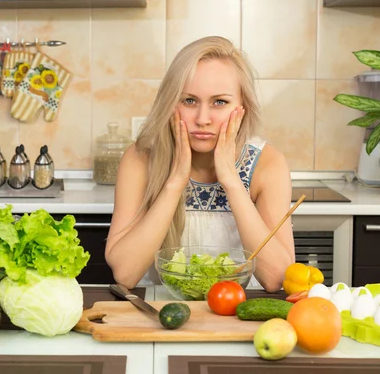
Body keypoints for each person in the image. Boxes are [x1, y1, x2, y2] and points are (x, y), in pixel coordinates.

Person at [104, 36, 295, 293]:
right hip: (161, 314)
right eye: (189, 101)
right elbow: (125, 274)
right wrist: (174, 183)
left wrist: (231, 180)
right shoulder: (140, 159)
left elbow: (276, 278)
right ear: (171, 104)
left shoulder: (268, 164)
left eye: (220, 102)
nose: (202, 119)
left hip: (235, 314)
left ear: (242, 107)